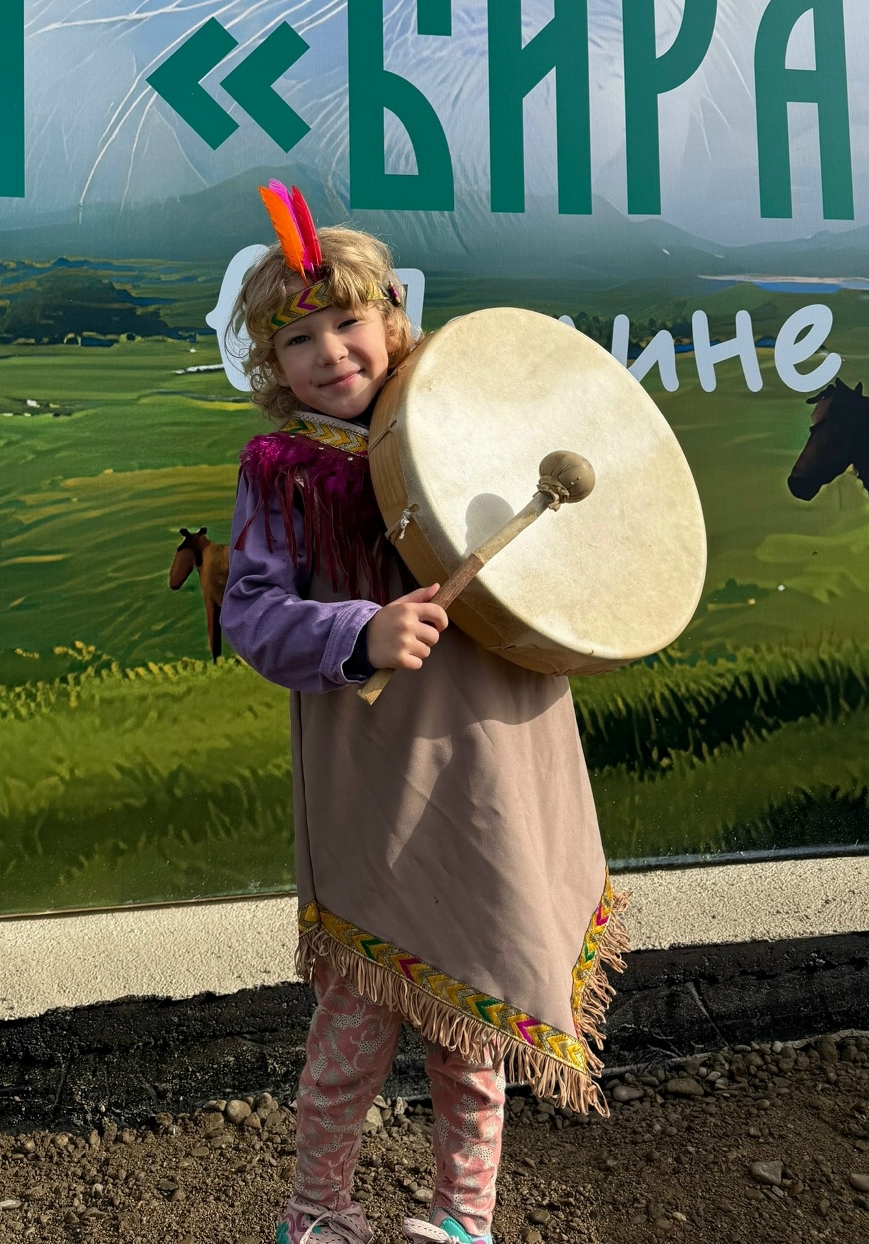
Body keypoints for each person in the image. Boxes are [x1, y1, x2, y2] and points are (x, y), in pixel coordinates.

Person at [221, 183, 627, 1244]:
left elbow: (566, 568)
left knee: (474, 1023)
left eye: (347, 321)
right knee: (352, 1026)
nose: (329, 352)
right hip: (376, 788)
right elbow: (254, 615)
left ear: (393, 317)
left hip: (491, 762)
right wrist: (358, 631)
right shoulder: (284, 474)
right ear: (271, 365)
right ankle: (317, 1211)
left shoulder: (475, 428)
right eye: (297, 338)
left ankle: (462, 1219)